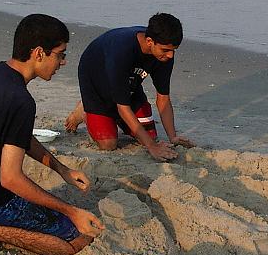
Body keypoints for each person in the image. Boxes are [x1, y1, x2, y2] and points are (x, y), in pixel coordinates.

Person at [0, 14, 104, 255]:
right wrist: (71, 211)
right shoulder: (20, 101)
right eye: (59, 54)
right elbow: (10, 178)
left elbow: (17, 136)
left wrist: (61, 170)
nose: (62, 62)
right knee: (76, 239)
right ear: (39, 53)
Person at [64, 13, 194, 161]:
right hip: (96, 80)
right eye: (166, 50)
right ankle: (84, 110)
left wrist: (173, 137)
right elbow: (123, 107)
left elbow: (163, 99)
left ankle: (114, 116)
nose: (170, 56)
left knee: (150, 136)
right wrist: (151, 146)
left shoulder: (164, 55)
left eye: (174, 50)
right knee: (108, 144)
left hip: (129, 82)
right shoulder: (122, 51)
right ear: (150, 41)